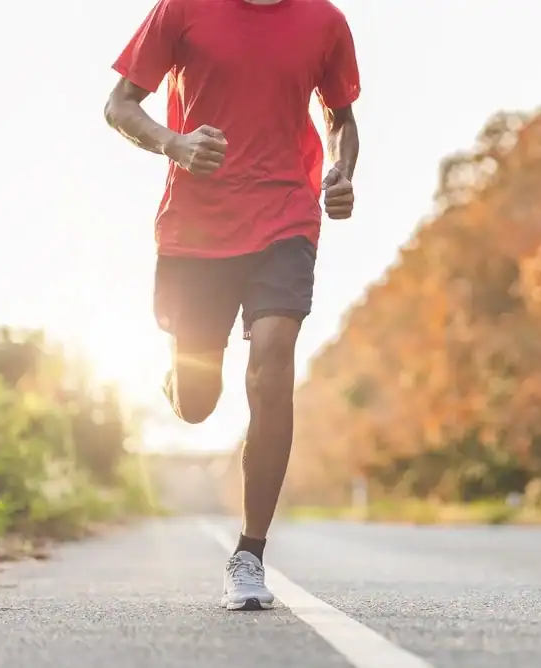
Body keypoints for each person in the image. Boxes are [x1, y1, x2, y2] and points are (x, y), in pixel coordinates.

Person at [103, 0, 360, 611]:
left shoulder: (324, 21)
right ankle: (183, 369)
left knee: (273, 361)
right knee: (197, 403)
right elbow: (119, 105)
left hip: (285, 216)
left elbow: (341, 117)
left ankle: (250, 552)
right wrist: (175, 144)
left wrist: (343, 171)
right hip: (197, 228)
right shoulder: (182, 9)